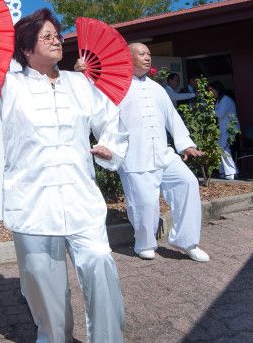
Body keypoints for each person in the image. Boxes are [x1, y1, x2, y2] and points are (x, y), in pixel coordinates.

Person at [0, 8, 128, 343]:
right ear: (27, 48)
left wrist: (108, 145)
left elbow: (110, 121)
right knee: (42, 281)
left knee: (100, 264)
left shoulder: (80, 84)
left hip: (81, 199)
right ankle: (53, 336)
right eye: (46, 36)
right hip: (33, 202)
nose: (56, 40)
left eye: (57, 35)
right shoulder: (8, 85)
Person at [82, 42, 209, 262]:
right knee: (144, 204)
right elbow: (95, 103)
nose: (147, 57)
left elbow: (172, 117)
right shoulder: (115, 86)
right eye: (142, 54)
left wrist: (185, 143)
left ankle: (186, 240)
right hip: (134, 157)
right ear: (128, 58)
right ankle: (145, 243)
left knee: (188, 182)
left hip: (163, 154)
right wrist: (84, 75)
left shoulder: (157, 88)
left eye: (149, 54)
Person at [209, 81, 240, 180]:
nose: (211, 94)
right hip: (224, 129)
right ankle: (224, 172)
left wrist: (206, 110)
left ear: (217, 89)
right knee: (221, 149)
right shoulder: (220, 100)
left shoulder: (226, 100)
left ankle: (231, 172)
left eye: (212, 91)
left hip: (229, 129)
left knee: (224, 149)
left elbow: (219, 113)